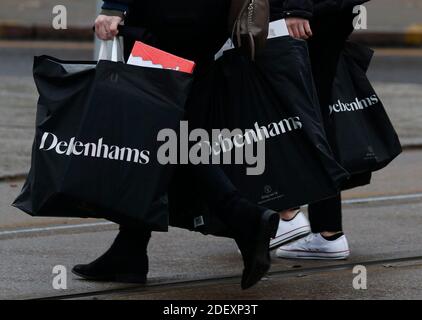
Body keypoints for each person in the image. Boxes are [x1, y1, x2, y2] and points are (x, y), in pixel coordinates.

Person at [72, 0, 281, 290]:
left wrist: (114, 7)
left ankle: (245, 218)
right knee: (173, 133)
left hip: (165, 23)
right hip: (207, 24)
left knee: (164, 136)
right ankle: (130, 248)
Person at [268, 0, 371, 260]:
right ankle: (326, 230)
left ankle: (288, 216)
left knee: (286, 115)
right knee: (314, 113)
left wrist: (296, 8)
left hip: (308, 13)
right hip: (330, 11)